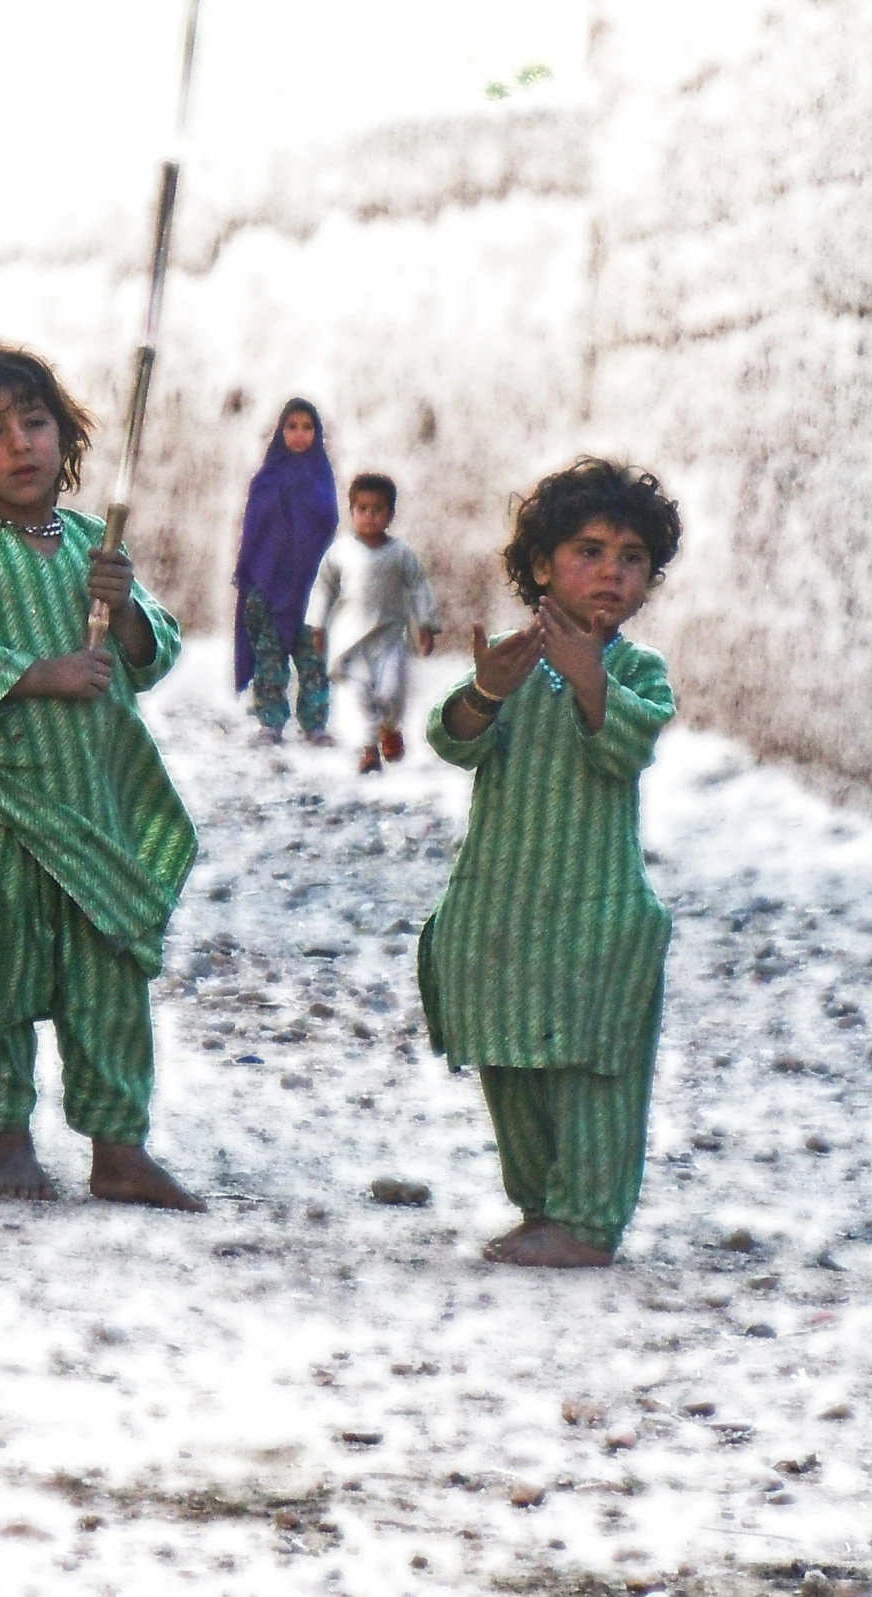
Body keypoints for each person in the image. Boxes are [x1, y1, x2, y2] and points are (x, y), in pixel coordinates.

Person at [0, 346, 203, 1211]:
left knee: (110, 979)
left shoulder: (90, 544)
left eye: (34, 423)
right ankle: (9, 1141)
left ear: (63, 435)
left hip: (94, 807)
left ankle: (118, 1148)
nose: (20, 445)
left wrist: (129, 604)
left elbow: (153, 652)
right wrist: (43, 673)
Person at [417, 457, 681, 1268]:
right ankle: (541, 1205)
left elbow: (629, 743)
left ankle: (587, 1219)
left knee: (594, 1066)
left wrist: (591, 681)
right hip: (502, 910)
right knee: (513, 1061)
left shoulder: (634, 671)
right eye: (588, 551)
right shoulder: (511, 663)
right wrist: (487, 692)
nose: (612, 571)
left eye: (632, 557)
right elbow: (453, 738)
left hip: (596, 915)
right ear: (540, 568)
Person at [305, 472, 439, 774]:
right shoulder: (340, 552)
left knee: (391, 691)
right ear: (352, 511)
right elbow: (324, 587)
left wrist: (426, 624)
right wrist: (318, 625)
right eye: (363, 509)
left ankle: (390, 727)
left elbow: (418, 586)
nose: (370, 516)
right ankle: (368, 749)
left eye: (378, 509)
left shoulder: (401, 553)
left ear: (390, 514)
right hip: (350, 639)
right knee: (356, 695)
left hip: (389, 636)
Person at [231, 398, 338, 745]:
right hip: (269, 582)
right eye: (292, 427)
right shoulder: (266, 477)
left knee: (313, 659)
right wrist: (250, 575)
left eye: (308, 427)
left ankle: (315, 724)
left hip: (310, 584)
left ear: (317, 433)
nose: (300, 434)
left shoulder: (322, 476)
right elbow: (254, 529)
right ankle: (270, 722)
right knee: (269, 656)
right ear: (280, 431)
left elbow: (328, 523)